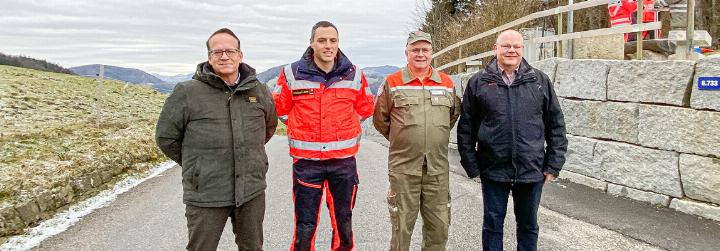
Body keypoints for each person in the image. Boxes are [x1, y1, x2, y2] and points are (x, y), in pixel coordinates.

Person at [155, 28, 278, 251]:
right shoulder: (187, 92)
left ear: (240, 55)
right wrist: (197, 165)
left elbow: (268, 128)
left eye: (230, 51)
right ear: (209, 57)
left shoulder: (258, 91)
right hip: (206, 192)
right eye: (217, 52)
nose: (224, 56)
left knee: (252, 247)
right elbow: (166, 137)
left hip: (251, 190)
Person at [457, 29, 568, 251]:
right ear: (495, 48)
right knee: (492, 225)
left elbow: (556, 125)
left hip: (531, 169)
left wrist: (553, 165)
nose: (511, 50)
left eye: (516, 46)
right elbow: (466, 128)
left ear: (522, 49)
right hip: (493, 169)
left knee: (528, 226)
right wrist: (472, 165)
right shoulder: (478, 83)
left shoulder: (539, 81)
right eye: (506, 45)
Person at [272, 21, 374, 251]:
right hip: (307, 163)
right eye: (322, 40)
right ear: (311, 43)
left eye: (333, 40)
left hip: (343, 163)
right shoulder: (291, 73)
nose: (328, 46)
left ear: (338, 43)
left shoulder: (355, 74)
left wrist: (345, 126)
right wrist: (301, 127)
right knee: (305, 228)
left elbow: (365, 108)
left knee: (344, 225)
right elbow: (280, 109)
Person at [372, 30, 460, 251]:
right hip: (403, 169)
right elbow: (381, 120)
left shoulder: (446, 83)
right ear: (406, 53)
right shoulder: (392, 83)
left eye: (425, 50)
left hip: (437, 170)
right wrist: (404, 138)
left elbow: (452, 115)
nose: (420, 54)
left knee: (438, 229)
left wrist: (429, 136)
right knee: (402, 229)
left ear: (432, 53)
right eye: (415, 50)